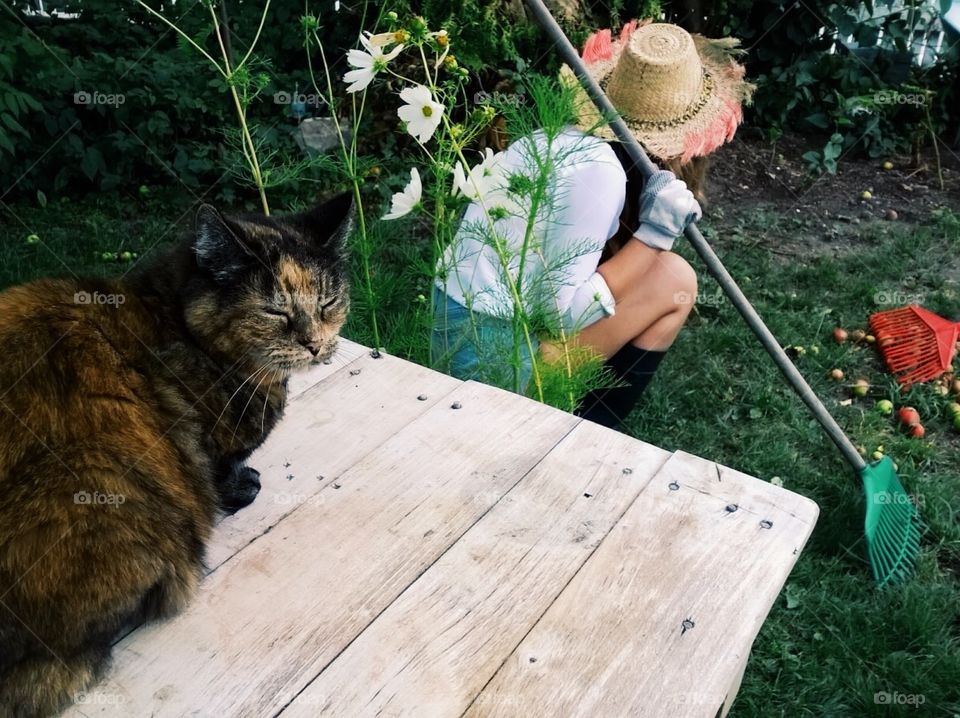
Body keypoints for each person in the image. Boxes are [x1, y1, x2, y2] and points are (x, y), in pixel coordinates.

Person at [431, 21, 753, 429]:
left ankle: (570, 423)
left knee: (663, 274)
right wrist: (654, 237)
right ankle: (580, 435)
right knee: (676, 281)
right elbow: (559, 318)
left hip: (465, 349)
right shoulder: (599, 173)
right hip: (496, 378)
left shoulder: (549, 142)